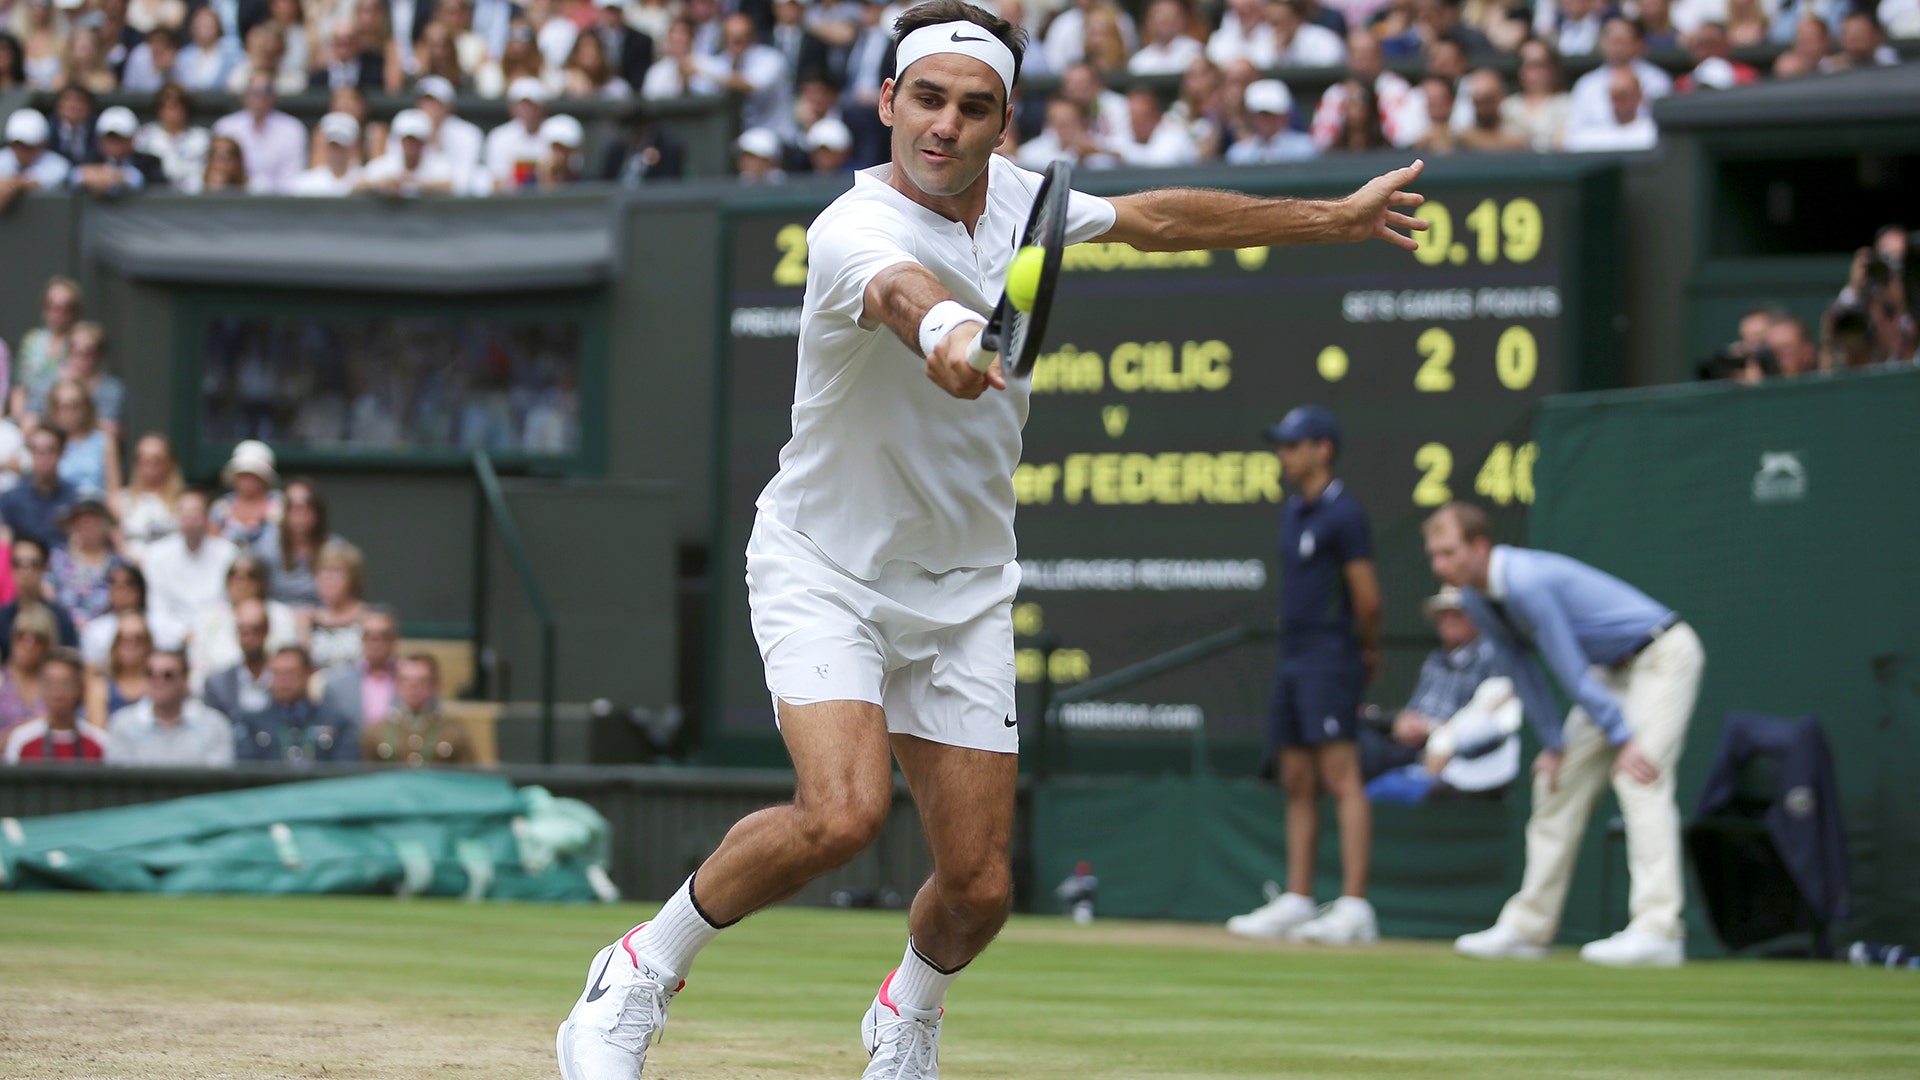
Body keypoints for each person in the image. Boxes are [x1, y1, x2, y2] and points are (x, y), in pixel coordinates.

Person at [553, 3, 1428, 1075]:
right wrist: (955, 338)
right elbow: (905, 294)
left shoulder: (1026, 202)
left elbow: (1159, 220)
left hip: (963, 587)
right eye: (926, 98)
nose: (945, 126)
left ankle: (905, 1016)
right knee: (841, 816)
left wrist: (1330, 220)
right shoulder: (849, 228)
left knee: (977, 889)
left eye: (974, 108)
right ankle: (637, 973)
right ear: (887, 102)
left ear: (1002, 124)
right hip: (825, 570)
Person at [1424, 501, 1706, 967]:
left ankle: (1659, 930)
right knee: (1554, 783)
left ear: (1479, 546)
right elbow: (1521, 670)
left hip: (1661, 656)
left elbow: (1565, 665)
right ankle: (1529, 928)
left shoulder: (1526, 583)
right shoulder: (1474, 597)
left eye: (1449, 553)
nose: (1441, 565)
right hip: (1609, 675)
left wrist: (1622, 736)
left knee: (1639, 776)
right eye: (1434, 555)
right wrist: (1554, 744)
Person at [1225, 406, 1381, 945]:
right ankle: (1297, 898)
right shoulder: (1294, 513)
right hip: (1293, 657)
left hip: (1331, 655)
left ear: (1323, 449)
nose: (1283, 455)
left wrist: (1364, 650)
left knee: (1341, 776)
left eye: (1293, 445)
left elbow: (1367, 597)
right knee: (1296, 779)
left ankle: (1356, 906)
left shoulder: (1346, 515)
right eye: (1282, 445)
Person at [1362, 586, 1519, 804]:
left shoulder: (1491, 657)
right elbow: (1414, 710)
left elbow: (1486, 715)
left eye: (1457, 613)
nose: (1449, 620)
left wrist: (1433, 730)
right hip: (1407, 748)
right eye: (1443, 614)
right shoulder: (1435, 660)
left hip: (1452, 759)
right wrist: (1403, 722)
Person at [186, 552, 299, 694]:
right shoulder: (208, 617)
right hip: (219, 696)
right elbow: (197, 668)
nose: (241, 583)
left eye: (249, 576)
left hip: (272, 695)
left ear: (261, 582)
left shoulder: (280, 615)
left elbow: (288, 661)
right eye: (234, 576)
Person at [143, 488, 240, 651]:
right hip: (173, 638)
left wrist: (208, 633)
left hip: (219, 635)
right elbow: (158, 610)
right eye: (183, 511)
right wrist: (181, 634)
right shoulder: (156, 555)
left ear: (207, 516)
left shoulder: (228, 553)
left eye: (196, 511)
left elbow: (231, 603)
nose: (190, 517)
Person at [105, 647, 235, 766]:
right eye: (151, 674)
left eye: (168, 675)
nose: (159, 682)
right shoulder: (122, 724)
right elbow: (120, 780)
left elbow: (217, 779)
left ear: (185, 680)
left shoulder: (215, 725)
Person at [232, 644, 357, 764]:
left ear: (308, 673)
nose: (283, 681)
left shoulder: (336, 722)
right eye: (277, 673)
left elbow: (345, 771)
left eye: (290, 673)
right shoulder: (252, 723)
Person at [361, 651, 474, 764]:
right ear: (396, 684)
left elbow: (466, 776)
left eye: (422, 681)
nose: (413, 687)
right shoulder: (376, 732)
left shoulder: (453, 732)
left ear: (434, 685)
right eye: (406, 680)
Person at [212, 73, 309, 193]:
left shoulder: (293, 128)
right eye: (254, 92)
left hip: (279, 201)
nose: (260, 97)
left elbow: (293, 177)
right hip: (235, 198)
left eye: (266, 91)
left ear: (274, 96)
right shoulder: (226, 126)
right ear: (244, 96)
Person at [2, 651, 103, 763]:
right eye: (50, 683)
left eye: (65, 683)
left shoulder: (99, 742)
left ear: (79, 688)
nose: (57, 692)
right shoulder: (21, 739)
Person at [320, 605, 399, 733]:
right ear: (361, 639)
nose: (376, 643)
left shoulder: (413, 680)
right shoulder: (336, 685)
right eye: (370, 636)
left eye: (383, 636)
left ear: (394, 639)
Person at [0, 536, 80, 661]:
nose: (25, 571)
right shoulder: (2, 618)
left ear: (44, 567)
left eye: (33, 564)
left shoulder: (60, 619)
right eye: (18, 563)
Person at [0, 426, 80, 550]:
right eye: (37, 451)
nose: (43, 458)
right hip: (25, 564)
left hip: (62, 564)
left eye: (50, 450)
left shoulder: (75, 498)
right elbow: (5, 542)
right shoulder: (10, 499)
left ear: (62, 452)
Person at [49, 498, 123, 629]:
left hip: (105, 628)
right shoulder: (58, 558)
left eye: (93, 520)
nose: (87, 525)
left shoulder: (117, 563)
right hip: (64, 626)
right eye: (81, 521)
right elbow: (48, 591)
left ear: (105, 524)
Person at [113, 433, 183, 562]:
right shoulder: (121, 499)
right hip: (133, 573)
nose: (148, 465)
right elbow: (118, 543)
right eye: (142, 459)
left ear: (170, 463)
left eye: (156, 459)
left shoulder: (183, 501)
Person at [301, 538, 368, 670]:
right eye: (322, 571)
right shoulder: (306, 619)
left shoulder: (369, 617)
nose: (327, 578)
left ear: (353, 578)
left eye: (335, 571)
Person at [203, 597, 274, 722]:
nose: (248, 638)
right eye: (243, 631)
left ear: (266, 631)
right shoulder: (218, 685)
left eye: (255, 630)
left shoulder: (284, 677)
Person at [46, 379, 120, 500]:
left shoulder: (104, 440)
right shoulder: (47, 442)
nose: (68, 412)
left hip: (95, 508)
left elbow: (114, 490)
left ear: (86, 407)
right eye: (62, 406)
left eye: (74, 406)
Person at [135, 83, 213, 192]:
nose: (172, 111)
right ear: (158, 109)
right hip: (155, 197)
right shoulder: (144, 136)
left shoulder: (202, 138)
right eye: (166, 105)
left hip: (194, 197)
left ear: (186, 108)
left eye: (176, 105)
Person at [209, 438, 283, 552]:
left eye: (252, 475)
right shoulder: (220, 508)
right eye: (242, 475)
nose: (247, 481)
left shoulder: (280, 504)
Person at [1562, 66, 1657, 153]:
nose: (1618, 101)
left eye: (1623, 95)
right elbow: (1569, 141)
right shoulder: (1593, 134)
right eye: (1614, 96)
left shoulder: (1652, 132)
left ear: (1639, 96)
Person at [1225, 79, 1319, 164]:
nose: (1265, 120)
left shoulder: (1306, 148)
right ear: (1250, 116)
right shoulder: (1238, 153)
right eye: (1260, 114)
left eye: (1272, 114)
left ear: (1285, 115)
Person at [0, 604, 57, 743]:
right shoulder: (2, 679)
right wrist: (17, 734)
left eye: (37, 637)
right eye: (21, 635)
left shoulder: (56, 682)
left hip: (47, 760)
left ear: (47, 643)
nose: (28, 644)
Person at [0, 109, 73, 212]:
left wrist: (13, 184)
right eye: (15, 145)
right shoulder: (3, 157)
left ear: (42, 144)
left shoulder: (59, 165)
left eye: (27, 146)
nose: (20, 151)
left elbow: (36, 182)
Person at [85, 608, 152, 722]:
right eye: (123, 639)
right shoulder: (100, 687)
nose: (131, 645)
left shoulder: (161, 683)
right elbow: (97, 732)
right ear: (115, 644)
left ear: (148, 643)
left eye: (138, 639)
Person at [79, 562, 145, 668]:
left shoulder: (157, 623)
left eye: (128, 584)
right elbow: (91, 671)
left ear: (140, 589)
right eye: (114, 583)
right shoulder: (94, 629)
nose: (121, 589)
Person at [288, 111, 365, 194]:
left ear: (354, 146)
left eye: (342, 146)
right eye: (333, 146)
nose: (337, 152)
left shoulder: (366, 178)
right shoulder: (305, 183)